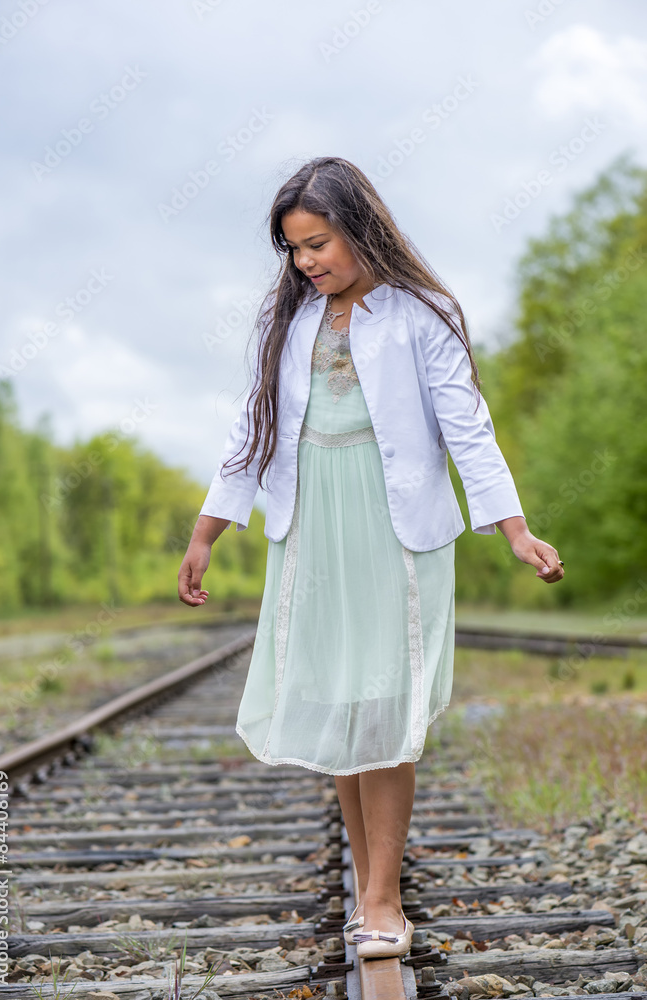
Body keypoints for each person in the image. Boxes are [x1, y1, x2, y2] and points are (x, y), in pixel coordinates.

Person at [178, 156, 564, 959]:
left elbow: (468, 430)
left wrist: (514, 530)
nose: (304, 262)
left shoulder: (424, 313)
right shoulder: (288, 319)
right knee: (343, 704)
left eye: (317, 243)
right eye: (293, 249)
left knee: (384, 707)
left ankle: (385, 899)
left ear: (361, 228)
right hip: (312, 526)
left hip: (394, 527)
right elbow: (254, 427)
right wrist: (207, 531)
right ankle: (369, 887)